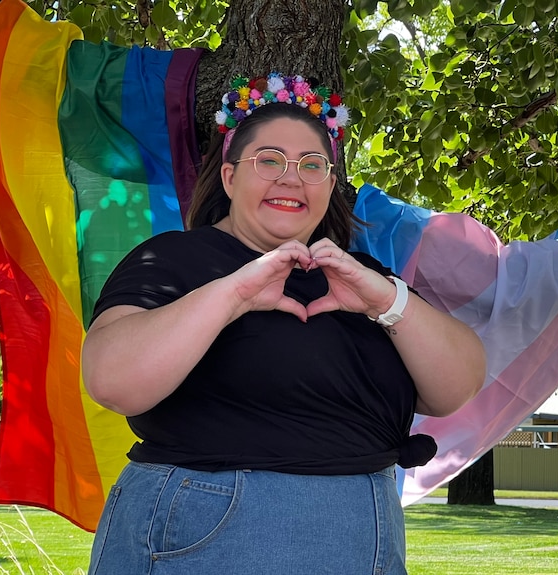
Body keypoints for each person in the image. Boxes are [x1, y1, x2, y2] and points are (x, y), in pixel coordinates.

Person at [81, 73, 487, 575]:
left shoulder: (363, 277)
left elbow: (458, 386)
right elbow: (111, 380)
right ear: (230, 177)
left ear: (330, 186)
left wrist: (388, 300)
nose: (291, 178)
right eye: (269, 160)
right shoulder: (173, 259)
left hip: (366, 533)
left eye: (312, 165)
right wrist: (235, 294)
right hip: (213, 535)